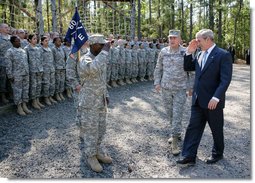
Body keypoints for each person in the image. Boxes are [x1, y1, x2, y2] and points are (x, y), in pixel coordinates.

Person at [177, 29, 232, 166]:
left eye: (198, 40)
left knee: (216, 129)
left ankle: (218, 154)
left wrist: (216, 98)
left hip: (212, 101)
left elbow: (225, 80)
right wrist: (189, 52)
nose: (197, 43)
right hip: (197, 100)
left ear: (208, 39)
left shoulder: (223, 55)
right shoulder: (200, 53)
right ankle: (189, 156)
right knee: (193, 128)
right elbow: (188, 67)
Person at [77, 34, 112, 173]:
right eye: (101, 44)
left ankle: (97, 151)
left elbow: (102, 79)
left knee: (101, 128)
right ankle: (90, 156)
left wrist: (106, 94)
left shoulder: (99, 58)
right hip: (89, 102)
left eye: (104, 45)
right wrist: (105, 52)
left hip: (100, 100)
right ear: (92, 45)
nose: (103, 47)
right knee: (91, 130)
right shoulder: (85, 59)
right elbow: (93, 69)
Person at [154, 30, 190, 156]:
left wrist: (190, 87)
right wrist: (157, 82)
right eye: (170, 38)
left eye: (175, 38)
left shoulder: (185, 52)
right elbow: (158, 68)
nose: (172, 40)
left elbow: (191, 71)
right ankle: (177, 133)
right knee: (170, 113)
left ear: (180, 39)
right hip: (166, 88)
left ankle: (174, 140)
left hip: (180, 88)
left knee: (177, 114)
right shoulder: (163, 52)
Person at [5, 36, 31, 115]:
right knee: (17, 91)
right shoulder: (9, 52)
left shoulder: (23, 51)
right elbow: (8, 65)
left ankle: (24, 105)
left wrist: (27, 72)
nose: (19, 42)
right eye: (17, 41)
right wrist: (10, 75)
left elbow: (26, 63)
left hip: (25, 74)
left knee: (25, 90)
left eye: (19, 41)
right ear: (12, 42)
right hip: (16, 75)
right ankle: (19, 107)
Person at [24, 34, 44, 109]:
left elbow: (41, 59)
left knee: (39, 85)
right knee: (33, 86)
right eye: (34, 39)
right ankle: (33, 101)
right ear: (29, 40)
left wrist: (41, 68)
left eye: (36, 39)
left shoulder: (38, 48)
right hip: (32, 70)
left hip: (39, 70)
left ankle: (37, 100)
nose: (36, 40)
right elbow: (26, 61)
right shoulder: (26, 49)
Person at [0, 23, 12, 104]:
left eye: (8, 27)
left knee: (11, 79)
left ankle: (11, 94)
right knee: (2, 80)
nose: (8, 28)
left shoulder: (11, 38)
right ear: (0, 29)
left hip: (12, 63)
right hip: (2, 63)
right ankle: (3, 96)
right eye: (5, 27)